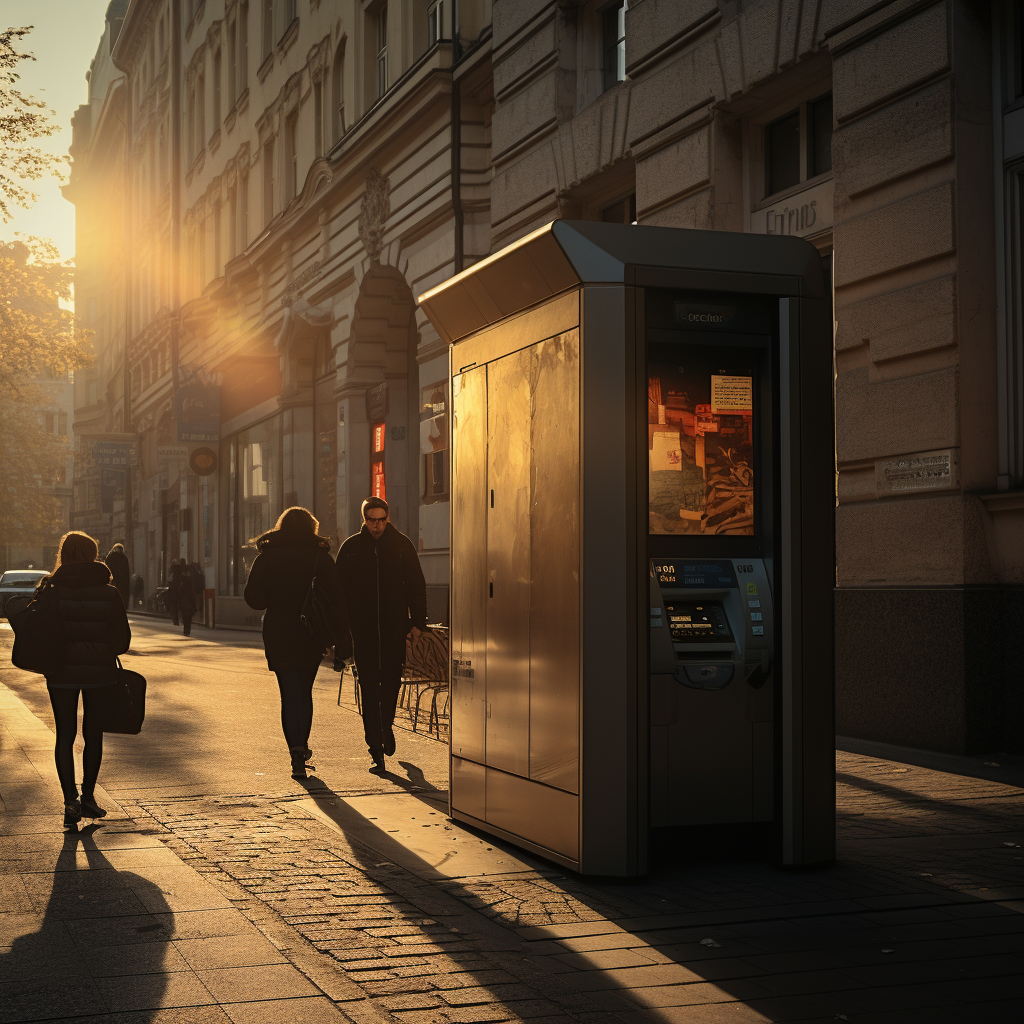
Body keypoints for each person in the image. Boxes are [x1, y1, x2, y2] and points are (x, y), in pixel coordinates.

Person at [243, 507, 348, 779]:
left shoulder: (267, 557)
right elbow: (338, 597)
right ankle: (302, 749)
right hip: (311, 633)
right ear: (311, 528)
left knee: (289, 693)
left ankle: (296, 754)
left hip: (279, 632)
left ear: (282, 527)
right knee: (304, 691)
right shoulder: (320, 557)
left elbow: (254, 599)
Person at [38, 531, 131, 827]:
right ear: (93, 555)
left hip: (59, 670)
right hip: (100, 672)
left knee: (64, 736)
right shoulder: (109, 592)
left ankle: (69, 802)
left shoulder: (51, 589)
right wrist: (101, 650)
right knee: (93, 735)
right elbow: (122, 640)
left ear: (63, 555)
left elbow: (38, 631)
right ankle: (89, 797)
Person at [336, 497, 427, 774]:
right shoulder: (351, 548)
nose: (377, 525)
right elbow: (339, 593)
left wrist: (417, 623)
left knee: (390, 686)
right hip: (362, 632)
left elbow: (416, 584)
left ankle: (385, 728)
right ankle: (375, 747)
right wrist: (342, 631)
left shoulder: (402, 545)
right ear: (364, 519)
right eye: (372, 520)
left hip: (393, 630)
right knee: (368, 688)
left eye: (381, 520)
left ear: (388, 518)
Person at [105, 543, 130, 609]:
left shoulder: (110, 556)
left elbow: (107, 568)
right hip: (122, 581)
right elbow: (126, 572)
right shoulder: (124, 558)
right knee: (121, 595)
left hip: (112, 580)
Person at [177, 561, 196, 636]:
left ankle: (186, 630)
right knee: (188, 617)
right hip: (189, 602)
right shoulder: (190, 582)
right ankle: (187, 629)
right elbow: (192, 593)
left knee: (185, 617)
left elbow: (180, 593)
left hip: (185, 602)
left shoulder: (182, 584)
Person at [166, 558, 182, 625]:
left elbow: (170, 580)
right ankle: (179, 619)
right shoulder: (181, 570)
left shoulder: (173, 571)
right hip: (179, 591)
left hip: (174, 591)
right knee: (179, 606)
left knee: (174, 605)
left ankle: (175, 620)